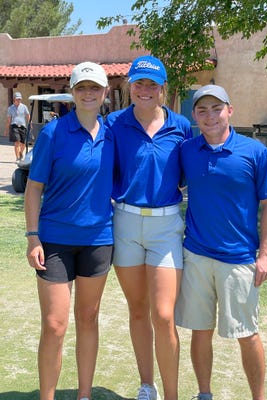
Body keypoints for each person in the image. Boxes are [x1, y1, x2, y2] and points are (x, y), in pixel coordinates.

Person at [175, 85, 267, 400]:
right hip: (196, 255)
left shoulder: (254, 152)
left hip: (239, 260)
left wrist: (265, 255)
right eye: (202, 110)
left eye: (216, 109)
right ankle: (204, 394)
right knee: (200, 331)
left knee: (247, 335)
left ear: (230, 111)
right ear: (194, 116)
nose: (210, 116)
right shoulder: (187, 151)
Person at [105, 55, 193, 400]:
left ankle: (171, 394)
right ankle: (147, 386)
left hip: (166, 226)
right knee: (138, 309)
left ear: (162, 88)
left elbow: (188, 175)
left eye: (152, 84)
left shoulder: (182, 126)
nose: (144, 90)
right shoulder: (113, 123)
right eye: (138, 83)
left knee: (163, 314)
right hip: (125, 222)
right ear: (130, 86)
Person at [24, 61, 114, 400]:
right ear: (73, 93)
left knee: (88, 319)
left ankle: (84, 395)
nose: (88, 93)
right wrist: (32, 236)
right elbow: (34, 188)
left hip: (99, 240)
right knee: (54, 324)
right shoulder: (54, 132)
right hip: (55, 241)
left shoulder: (113, 133)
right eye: (82, 88)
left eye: (95, 88)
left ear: (105, 93)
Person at [4, 91, 30, 161]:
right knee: (17, 142)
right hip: (14, 126)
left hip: (23, 126)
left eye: (20, 99)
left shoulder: (24, 107)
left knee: (23, 143)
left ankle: (21, 153)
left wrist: (30, 123)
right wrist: (6, 130)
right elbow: (9, 120)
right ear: (14, 99)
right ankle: (17, 158)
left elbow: (27, 115)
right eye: (17, 99)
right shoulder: (10, 108)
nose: (19, 100)